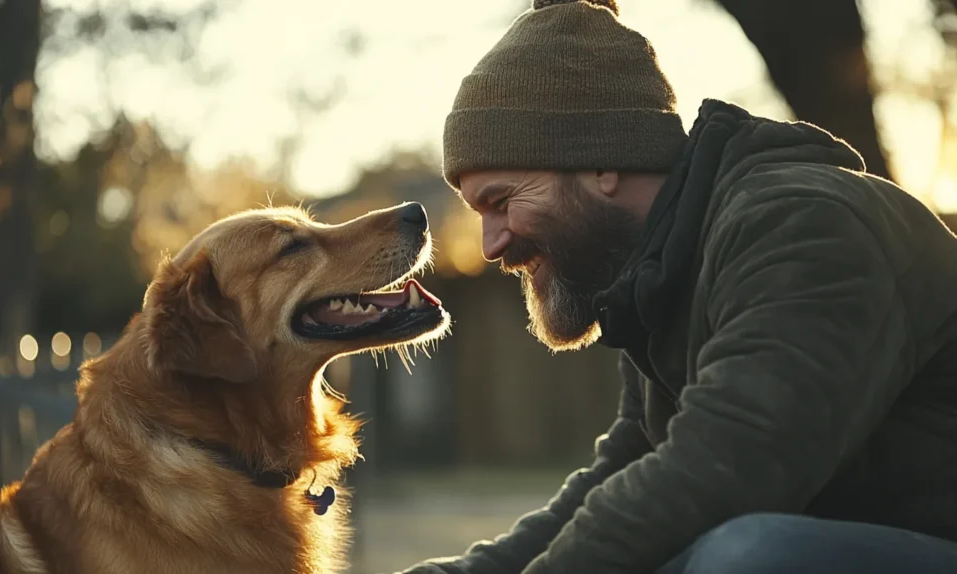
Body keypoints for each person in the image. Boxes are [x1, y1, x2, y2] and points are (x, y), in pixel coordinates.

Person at [396, 0, 957, 573]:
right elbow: (622, 477)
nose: (490, 245)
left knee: (743, 557)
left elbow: (732, 461)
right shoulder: (659, 275)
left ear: (600, 163)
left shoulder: (801, 225)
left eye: (501, 202)